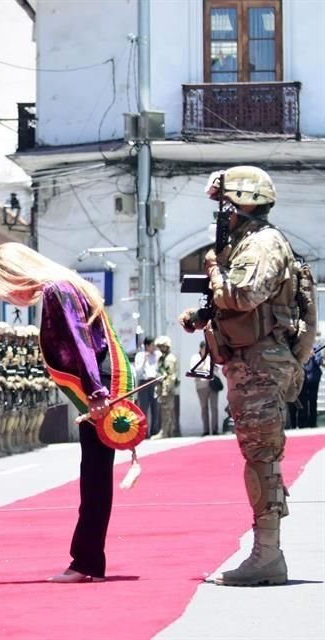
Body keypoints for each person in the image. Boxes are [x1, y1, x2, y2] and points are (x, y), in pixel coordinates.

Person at [180, 166, 304, 586]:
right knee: (258, 458)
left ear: (244, 203)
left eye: (227, 203)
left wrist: (214, 269)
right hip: (248, 362)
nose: (223, 212)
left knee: (263, 459)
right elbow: (237, 305)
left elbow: (243, 294)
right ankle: (266, 552)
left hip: (261, 365)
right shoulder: (246, 243)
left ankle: (267, 555)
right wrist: (202, 316)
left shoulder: (263, 243)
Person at [0, 242, 132, 584]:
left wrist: (95, 393)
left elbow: (81, 342)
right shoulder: (68, 285)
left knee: (94, 479)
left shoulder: (56, 290)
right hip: (98, 383)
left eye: (6, 290)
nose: (11, 299)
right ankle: (87, 560)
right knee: (95, 478)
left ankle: (85, 562)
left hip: (96, 386)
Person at [190, 341, 221, 435]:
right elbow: (193, 369)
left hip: (212, 384)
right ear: (200, 348)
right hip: (201, 385)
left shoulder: (211, 356)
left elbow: (218, 367)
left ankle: (215, 429)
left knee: (214, 407)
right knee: (204, 408)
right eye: (204, 348)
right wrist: (203, 362)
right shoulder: (195, 357)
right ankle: (206, 430)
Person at [152, 336, 179, 439]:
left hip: (167, 389)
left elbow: (170, 376)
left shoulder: (169, 359)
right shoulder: (162, 358)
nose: (160, 348)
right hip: (162, 387)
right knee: (166, 410)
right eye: (160, 347)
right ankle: (168, 432)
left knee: (166, 410)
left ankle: (165, 432)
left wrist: (165, 390)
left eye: (162, 346)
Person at [133, 337, 160, 436]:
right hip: (144, 382)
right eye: (152, 345)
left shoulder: (157, 355)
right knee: (143, 408)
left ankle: (154, 431)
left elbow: (157, 369)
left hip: (154, 381)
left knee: (155, 407)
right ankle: (144, 433)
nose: (154, 347)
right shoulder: (140, 355)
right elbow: (138, 371)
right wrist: (144, 360)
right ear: (147, 346)